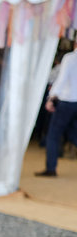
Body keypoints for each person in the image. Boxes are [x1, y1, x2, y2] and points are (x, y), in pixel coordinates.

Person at [36, 46, 77, 177]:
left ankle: (51, 168)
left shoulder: (70, 58)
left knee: (53, 135)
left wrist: (52, 97)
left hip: (66, 101)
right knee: (73, 134)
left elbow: (62, 79)